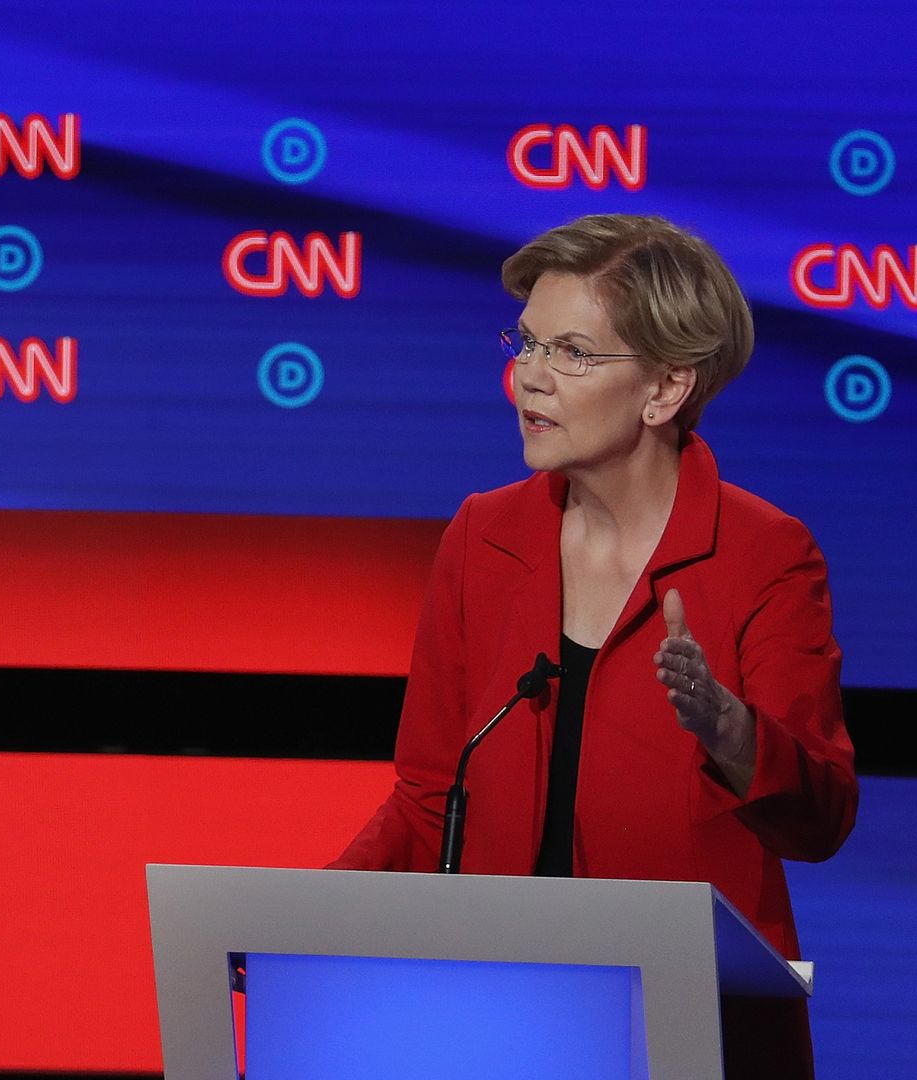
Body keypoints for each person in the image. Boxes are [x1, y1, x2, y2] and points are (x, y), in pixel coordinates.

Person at [330, 214, 856, 1077]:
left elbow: (824, 814)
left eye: (570, 353)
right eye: (525, 344)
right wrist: (303, 920)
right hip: (500, 1025)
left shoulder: (765, 554)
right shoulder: (484, 535)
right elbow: (430, 799)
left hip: (690, 1036)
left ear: (666, 389)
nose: (526, 379)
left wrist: (732, 734)